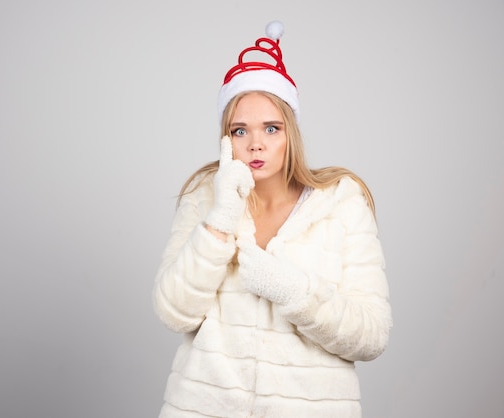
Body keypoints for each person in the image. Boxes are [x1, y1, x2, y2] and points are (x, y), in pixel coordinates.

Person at [152, 21, 392, 418]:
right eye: (240, 129)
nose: (256, 143)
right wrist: (221, 219)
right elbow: (173, 311)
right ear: (226, 138)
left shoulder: (341, 203)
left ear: (290, 134)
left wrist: (295, 291)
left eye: (272, 128)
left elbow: (371, 336)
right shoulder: (203, 197)